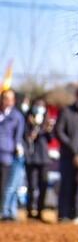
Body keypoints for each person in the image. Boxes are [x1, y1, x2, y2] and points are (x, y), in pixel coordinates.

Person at [55, 87, 78, 222]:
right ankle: (63, 214)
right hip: (67, 156)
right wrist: (73, 150)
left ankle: (75, 214)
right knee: (66, 185)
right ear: (77, 97)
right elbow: (59, 132)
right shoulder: (66, 112)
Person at [24, 98, 53, 220]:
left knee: (43, 185)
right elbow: (25, 136)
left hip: (44, 158)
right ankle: (30, 210)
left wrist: (47, 129)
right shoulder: (27, 120)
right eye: (37, 105)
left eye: (42, 105)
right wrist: (33, 127)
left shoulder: (47, 122)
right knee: (31, 186)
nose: (40, 107)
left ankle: (40, 210)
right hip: (31, 158)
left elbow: (50, 139)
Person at [0, 89, 25, 221]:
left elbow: (18, 136)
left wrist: (18, 147)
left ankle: (4, 211)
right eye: (5, 98)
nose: (7, 101)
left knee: (4, 185)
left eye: (10, 98)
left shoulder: (16, 116)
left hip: (6, 156)